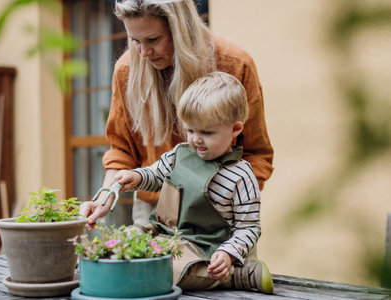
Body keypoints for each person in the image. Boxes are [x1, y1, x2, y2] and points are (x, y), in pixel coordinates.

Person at [80, 0, 273, 234]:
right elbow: (122, 150)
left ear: (182, 28)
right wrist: (105, 196)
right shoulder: (126, 70)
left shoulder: (234, 63)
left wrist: (228, 200)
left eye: (153, 40)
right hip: (152, 209)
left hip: (219, 213)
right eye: (134, 41)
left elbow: (257, 154)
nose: (143, 52)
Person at [112, 72, 273, 293]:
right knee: (127, 240)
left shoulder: (241, 176)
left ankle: (240, 275)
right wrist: (137, 177)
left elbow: (249, 227)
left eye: (206, 132)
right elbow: (156, 174)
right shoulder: (180, 154)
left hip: (206, 248)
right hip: (167, 234)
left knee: (168, 270)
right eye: (190, 130)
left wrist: (228, 254)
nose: (196, 139)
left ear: (235, 129)